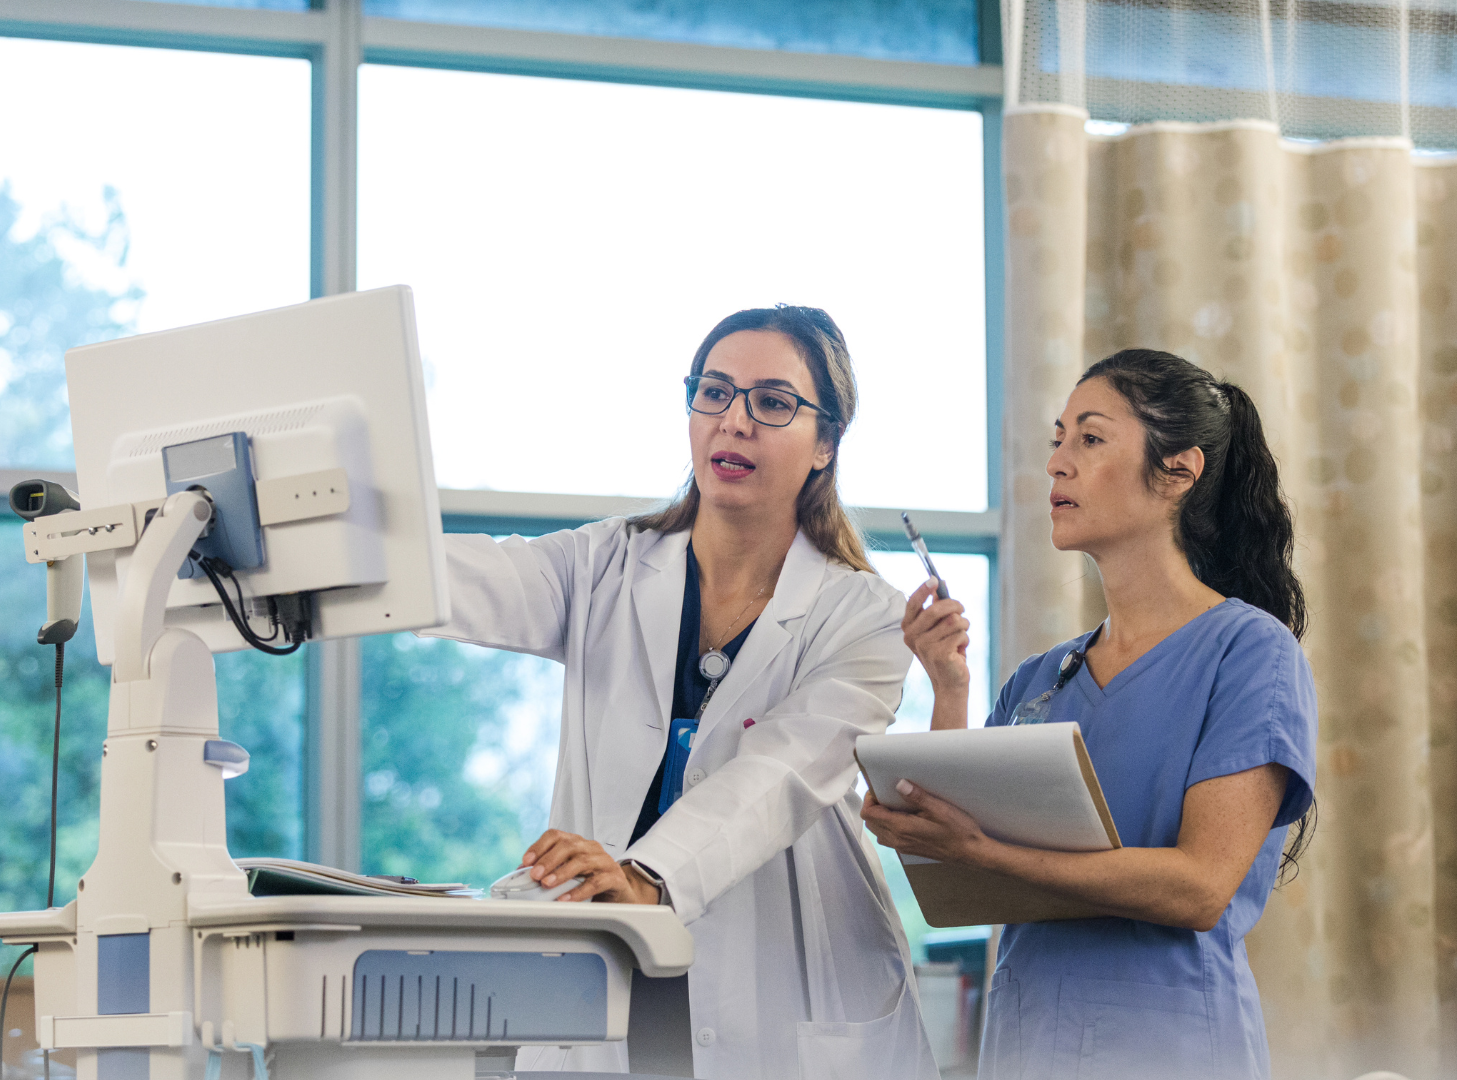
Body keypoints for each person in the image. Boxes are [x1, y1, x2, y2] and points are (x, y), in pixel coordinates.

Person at [420, 305, 936, 1079]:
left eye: (772, 402)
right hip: (609, 979)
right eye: (714, 391)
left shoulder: (863, 617)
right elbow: (454, 579)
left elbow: (780, 774)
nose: (734, 420)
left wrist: (647, 877)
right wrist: (335, 551)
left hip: (785, 999)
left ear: (826, 443)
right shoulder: (604, 566)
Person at [863, 348, 1318, 1080]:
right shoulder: (1041, 678)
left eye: (1090, 438)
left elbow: (1200, 886)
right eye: (1057, 439)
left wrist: (988, 853)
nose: (1057, 464)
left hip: (1170, 1048)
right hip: (1025, 1040)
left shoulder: (1249, 653)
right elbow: (957, 878)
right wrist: (949, 688)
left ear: (1179, 471)